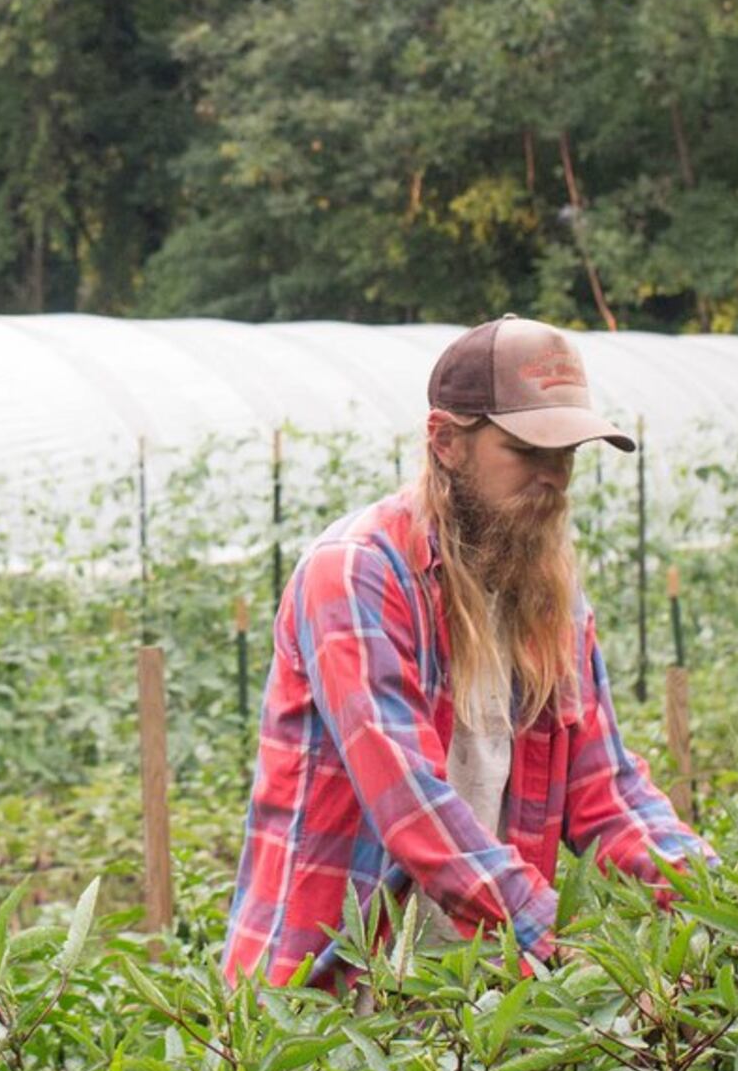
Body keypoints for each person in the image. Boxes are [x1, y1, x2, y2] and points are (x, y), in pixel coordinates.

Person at [224, 315, 711, 986]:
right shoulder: (357, 575)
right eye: (528, 451)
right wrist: (559, 943)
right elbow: (412, 804)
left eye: (566, 454)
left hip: (474, 1002)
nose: (554, 476)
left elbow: (608, 795)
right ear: (447, 442)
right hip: (326, 1001)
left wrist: (720, 896)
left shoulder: (552, 602)